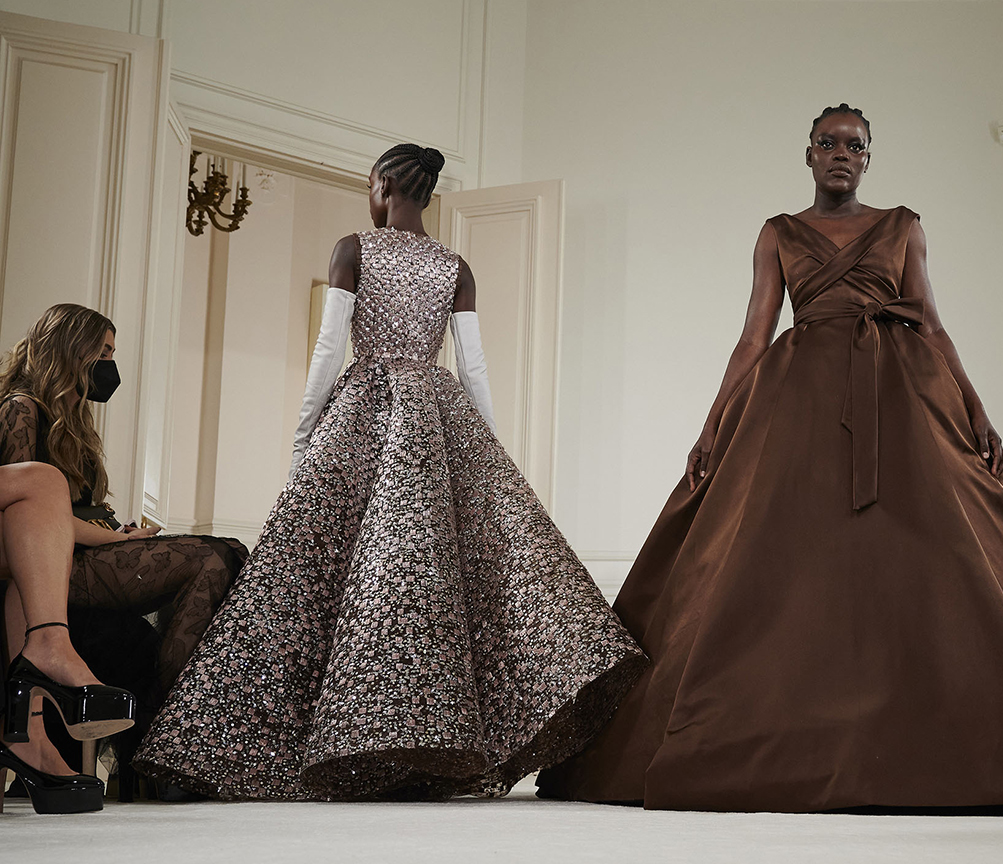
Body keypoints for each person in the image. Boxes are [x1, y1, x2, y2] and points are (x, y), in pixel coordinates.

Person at [536, 105, 1003, 812]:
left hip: (900, 391)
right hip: (798, 396)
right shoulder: (778, 233)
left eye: (855, 145)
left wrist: (976, 407)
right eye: (828, 143)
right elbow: (754, 334)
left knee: (936, 549)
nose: (841, 154)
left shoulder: (903, 226)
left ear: (869, 158)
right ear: (807, 154)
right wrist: (712, 424)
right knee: (779, 554)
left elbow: (931, 322)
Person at [135, 143, 645, 801]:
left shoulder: (354, 247)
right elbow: (475, 367)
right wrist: (484, 452)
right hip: (437, 414)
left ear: (381, 186)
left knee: (318, 576)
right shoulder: (455, 265)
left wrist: (304, 431)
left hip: (364, 407)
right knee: (423, 584)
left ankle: (314, 743)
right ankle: (426, 749)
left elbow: (327, 348)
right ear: (426, 193)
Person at [0, 304, 249, 779]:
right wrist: (105, 540)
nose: (110, 364)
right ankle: (168, 732)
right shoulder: (21, 409)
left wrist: (118, 534)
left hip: (88, 549)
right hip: (52, 564)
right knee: (214, 556)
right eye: (104, 351)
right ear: (72, 348)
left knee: (231, 555)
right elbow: (31, 518)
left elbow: (77, 508)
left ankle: (167, 724)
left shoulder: (75, 423)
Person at [0, 460, 136, 814]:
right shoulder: (22, 409)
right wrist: (119, 538)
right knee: (42, 485)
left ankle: (28, 735)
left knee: (30, 544)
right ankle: (49, 648)